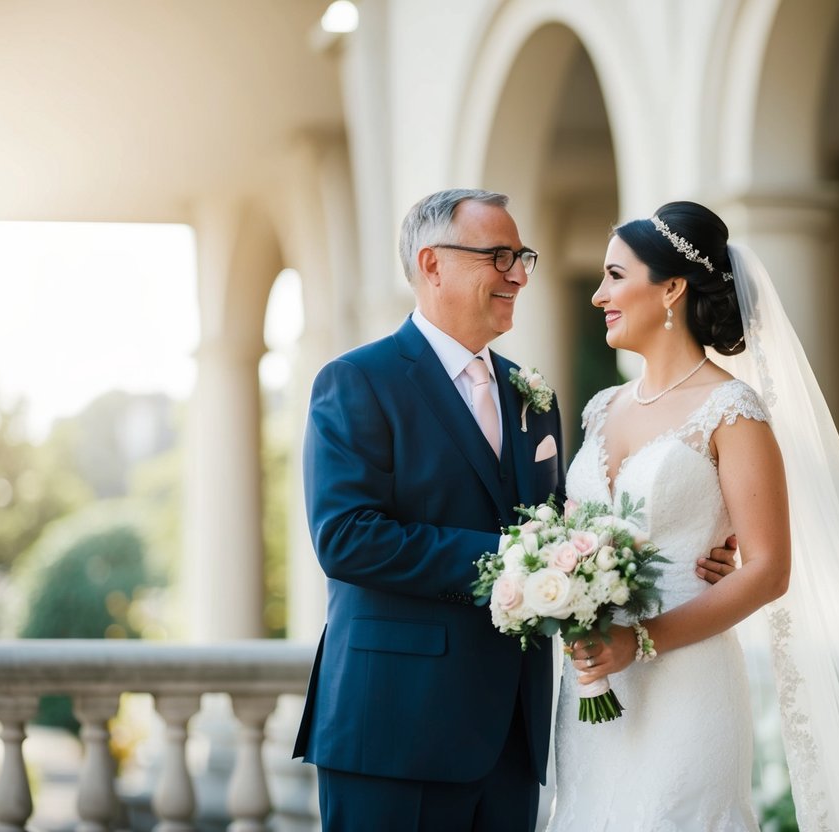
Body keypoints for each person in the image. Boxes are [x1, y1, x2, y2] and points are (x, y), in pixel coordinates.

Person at [549, 201, 839, 831]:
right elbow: (577, 533)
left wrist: (642, 639)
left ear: (672, 288)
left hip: (686, 682)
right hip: (594, 685)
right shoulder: (601, 408)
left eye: (615, 276)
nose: (599, 293)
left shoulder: (732, 409)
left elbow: (767, 569)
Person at [292, 188, 736, 831]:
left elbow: (572, 528)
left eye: (522, 256)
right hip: (394, 727)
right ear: (432, 263)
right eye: (499, 257)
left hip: (512, 736)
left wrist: (693, 546)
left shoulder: (532, 395)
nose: (520, 275)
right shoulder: (358, 381)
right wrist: (516, 562)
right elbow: (347, 538)